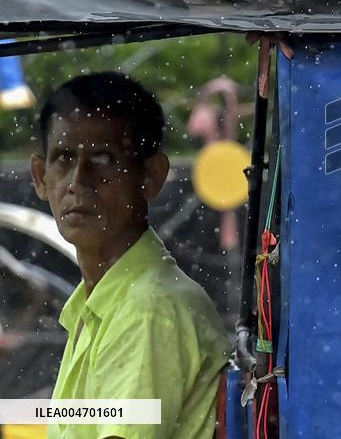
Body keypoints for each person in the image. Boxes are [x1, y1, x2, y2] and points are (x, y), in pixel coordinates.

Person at [30, 72, 230, 439]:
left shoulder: (148, 309)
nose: (78, 180)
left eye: (103, 158)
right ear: (41, 177)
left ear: (150, 176)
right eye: (63, 158)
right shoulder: (99, 305)